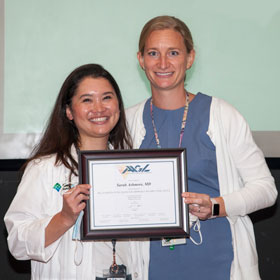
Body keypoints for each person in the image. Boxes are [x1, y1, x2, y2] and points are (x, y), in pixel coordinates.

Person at [126, 15, 278, 280]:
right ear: (141, 59)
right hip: (152, 267)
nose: (163, 63)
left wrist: (216, 206)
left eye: (173, 52)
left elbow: (266, 189)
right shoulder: (127, 122)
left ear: (190, 58)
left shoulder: (223, 115)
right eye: (153, 53)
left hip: (220, 263)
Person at [4, 64, 145, 279]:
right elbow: (17, 243)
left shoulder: (136, 169)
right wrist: (64, 218)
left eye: (107, 97)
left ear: (118, 105)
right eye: (87, 100)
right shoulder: (44, 169)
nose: (99, 108)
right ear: (69, 111)